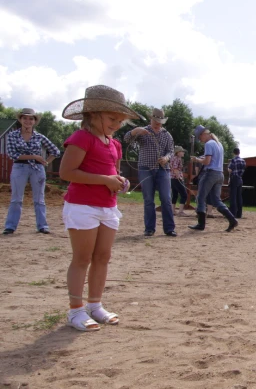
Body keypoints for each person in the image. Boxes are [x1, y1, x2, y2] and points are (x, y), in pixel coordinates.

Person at [59, 85, 136, 331]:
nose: (117, 124)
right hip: (82, 206)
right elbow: (67, 172)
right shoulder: (82, 138)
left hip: (107, 206)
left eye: (120, 120)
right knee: (82, 258)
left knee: (103, 257)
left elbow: (113, 171)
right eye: (112, 118)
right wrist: (105, 180)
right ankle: (75, 311)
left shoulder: (114, 144)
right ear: (93, 114)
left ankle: (95, 305)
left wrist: (120, 182)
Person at [3, 108, 61, 235]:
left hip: (37, 169)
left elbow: (55, 151)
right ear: (20, 120)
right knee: (16, 199)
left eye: (31, 119)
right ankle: (10, 226)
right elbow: (13, 154)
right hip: (19, 167)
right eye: (25, 118)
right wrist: (35, 157)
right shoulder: (13, 135)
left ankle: (42, 226)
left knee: (39, 199)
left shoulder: (39, 137)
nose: (28, 121)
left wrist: (46, 162)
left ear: (34, 121)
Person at [124, 107, 176, 237]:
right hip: (145, 169)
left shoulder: (167, 135)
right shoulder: (142, 132)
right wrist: (135, 131)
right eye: (156, 120)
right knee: (148, 199)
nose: (158, 123)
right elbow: (126, 139)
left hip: (163, 169)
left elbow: (171, 151)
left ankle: (169, 228)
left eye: (160, 121)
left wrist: (166, 158)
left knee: (166, 198)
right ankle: (149, 229)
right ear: (151, 119)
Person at [189, 125, 238, 232]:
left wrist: (197, 159)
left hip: (210, 174)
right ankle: (232, 219)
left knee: (201, 197)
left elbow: (207, 162)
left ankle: (201, 224)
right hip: (219, 174)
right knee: (216, 200)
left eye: (199, 137)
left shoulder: (208, 144)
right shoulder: (218, 143)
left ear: (203, 134)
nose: (199, 140)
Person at [227, 147, 246, 219]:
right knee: (239, 197)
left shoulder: (233, 160)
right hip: (240, 179)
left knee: (233, 196)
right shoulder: (243, 161)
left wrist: (228, 168)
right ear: (239, 152)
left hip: (234, 178)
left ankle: (233, 213)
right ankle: (239, 213)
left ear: (233, 153)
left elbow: (230, 170)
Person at [169, 146, 188, 216]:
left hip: (171, 178)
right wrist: (178, 176)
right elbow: (175, 168)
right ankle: (180, 211)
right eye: (182, 151)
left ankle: (173, 210)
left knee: (175, 194)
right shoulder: (178, 159)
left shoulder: (172, 158)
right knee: (184, 194)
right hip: (177, 178)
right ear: (178, 152)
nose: (183, 153)